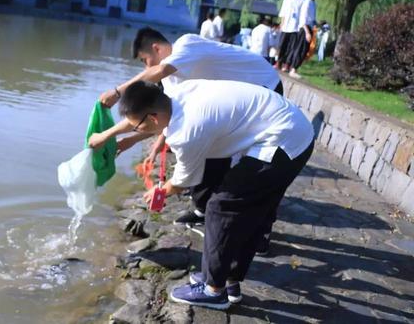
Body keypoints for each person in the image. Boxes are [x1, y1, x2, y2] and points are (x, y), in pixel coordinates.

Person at [120, 80, 314, 310]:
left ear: (153, 118)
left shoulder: (186, 130)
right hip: (294, 129)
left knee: (220, 207)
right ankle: (228, 280)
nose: (137, 132)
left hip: (282, 141)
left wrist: (159, 191)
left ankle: (214, 290)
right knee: (252, 212)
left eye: (137, 127)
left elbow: (184, 181)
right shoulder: (179, 93)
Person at [91, 27, 282, 239]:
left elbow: (156, 74)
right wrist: (129, 139)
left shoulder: (186, 44)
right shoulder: (174, 82)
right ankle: (206, 209)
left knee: (256, 170)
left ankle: (260, 231)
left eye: (145, 60)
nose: (147, 67)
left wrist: (119, 92)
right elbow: (161, 120)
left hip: (265, 89)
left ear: (156, 48)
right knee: (212, 152)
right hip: (234, 108)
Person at [285, 0, 319, 78]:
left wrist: (316, 24)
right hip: (305, 29)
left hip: (310, 28)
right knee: (300, 49)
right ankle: (293, 69)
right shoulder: (307, 2)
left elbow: (312, 18)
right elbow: (303, 19)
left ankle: (295, 68)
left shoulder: (313, 4)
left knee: (304, 50)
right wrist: (307, 32)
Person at [276, 0, 304, 75]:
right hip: (285, 26)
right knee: (282, 45)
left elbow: (302, 15)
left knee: (291, 48)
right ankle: (279, 62)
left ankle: (286, 64)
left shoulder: (302, 0)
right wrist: (281, 23)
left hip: (295, 27)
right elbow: (283, 12)